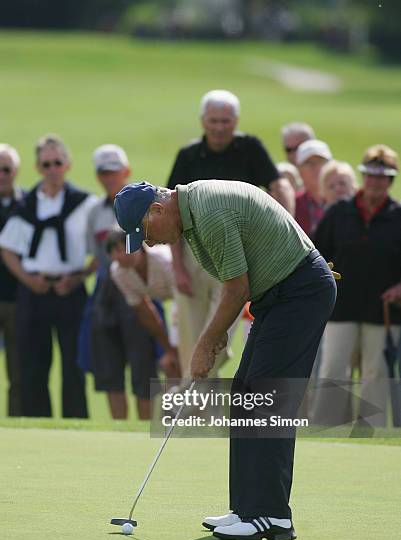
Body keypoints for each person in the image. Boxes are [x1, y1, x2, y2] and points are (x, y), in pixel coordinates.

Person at [114, 179, 337, 540]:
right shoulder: (193, 214)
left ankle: (272, 515)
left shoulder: (208, 211)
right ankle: (248, 508)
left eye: (145, 233)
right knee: (246, 396)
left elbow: (237, 288)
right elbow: (237, 287)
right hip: (279, 298)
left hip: (300, 293)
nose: (149, 243)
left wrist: (205, 344)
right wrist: (214, 335)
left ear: (156, 211)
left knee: (266, 402)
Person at [167, 89, 294, 376]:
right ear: (203, 121)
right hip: (193, 254)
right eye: (214, 121)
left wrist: (286, 227)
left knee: (217, 340)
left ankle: (188, 399)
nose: (219, 127)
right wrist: (177, 267)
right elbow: (172, 211)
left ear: (235, 122)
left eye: (225, 121)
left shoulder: (250, 148)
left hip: (236, 256)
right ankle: (200, 413)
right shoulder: (188, 155)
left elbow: (279, 186)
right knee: (191, 340)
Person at [0, 134, 97, 418]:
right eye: (47, 164)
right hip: (35, 290)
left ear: (67, 165)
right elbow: (7, 248)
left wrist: (80, 277)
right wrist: (27, 279)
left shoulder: (84, 204)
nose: (53, 169)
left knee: (73, 366)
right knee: (32, 365)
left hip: (71, 290)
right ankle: (36, 422)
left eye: (58, 162)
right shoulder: (28, 204)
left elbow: (102, 249)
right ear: (38, 168)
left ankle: (75, 421)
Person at [314, 145, 401, 427]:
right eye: (370, 175)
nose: (375, 182)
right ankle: (326, 429)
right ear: (363, 177)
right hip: (340, 307)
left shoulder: (398, 216)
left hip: (383, 311)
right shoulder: (340, 212)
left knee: (375, 373)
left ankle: (370, 433)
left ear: (390, 181)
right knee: (333, 370)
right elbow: (315, 253)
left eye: (383, 177)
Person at [85, 145, 171, 421]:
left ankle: (144, 425)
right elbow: (96, 258)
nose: (109, 176)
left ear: (126, 171)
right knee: (110, 366)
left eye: (113, 171)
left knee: (143, 362)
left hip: (141, 281)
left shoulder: (140, 202)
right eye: (103, 172)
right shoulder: (94, 210)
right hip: (109, 288)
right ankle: (119, 427)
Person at [106, 229, 180, 379]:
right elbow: (145, 312)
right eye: (114, 252)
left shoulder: (163, 259)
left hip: (190, 297)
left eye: (123, 249)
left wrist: (177, 345)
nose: (119, 256)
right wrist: (168, 349)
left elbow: (183, 301)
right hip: (177, 302)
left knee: (189, 356)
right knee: (171, 363)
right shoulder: (118, 272)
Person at [0, 143, 24, 416]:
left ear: (15, 171)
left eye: (6, 169)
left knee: (18, 372)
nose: (1, 175)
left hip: (17, 299)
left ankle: (16, 422)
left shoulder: (27, 203)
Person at [295, 139, 333, 238]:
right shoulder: (294, 204)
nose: (317, 168)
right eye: (309, 163)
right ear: (299, 170)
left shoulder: (344, 200)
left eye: (321, 162)